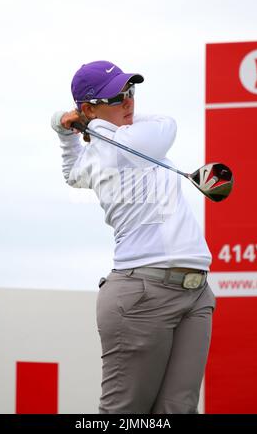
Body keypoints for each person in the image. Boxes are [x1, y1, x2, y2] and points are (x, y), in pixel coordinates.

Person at [51, 60, 216, 414]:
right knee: (125, 413)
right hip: (143, 294)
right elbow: (163, 126)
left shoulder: (118, 143)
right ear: (90, 107)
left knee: (178, 409)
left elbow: (71, 171)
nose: (130, 103)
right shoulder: (121, 147)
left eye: (131, 92)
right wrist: (88, 124)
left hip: (195, 293)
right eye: (117, 98)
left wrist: (71, 129)